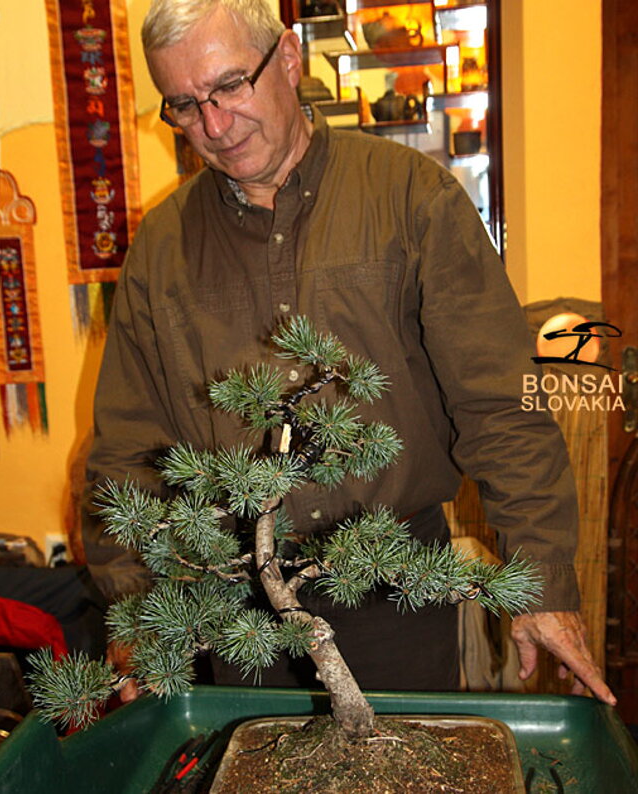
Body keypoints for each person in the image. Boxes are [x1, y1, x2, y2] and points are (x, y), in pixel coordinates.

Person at [83, 0, 615, 706]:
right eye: (184, 105)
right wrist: (139, 610)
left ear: (291, 59)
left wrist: (542, 582)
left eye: (230, 87)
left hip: (399, 591)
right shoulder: (161, 249)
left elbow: (498, 403)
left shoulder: (411, 199)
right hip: (236, 603)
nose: (213, 126)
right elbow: (127, 447)